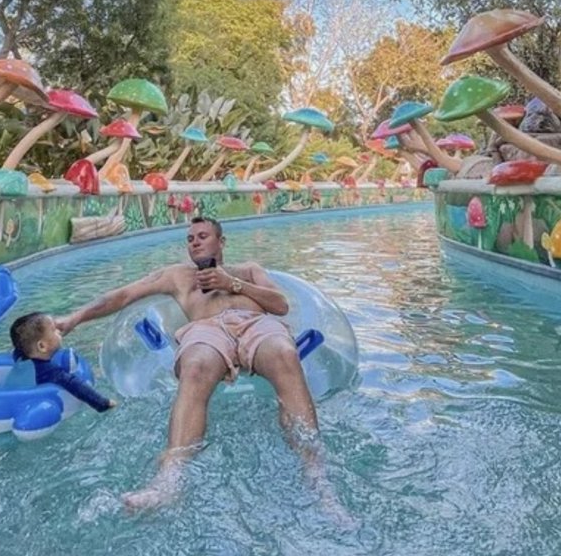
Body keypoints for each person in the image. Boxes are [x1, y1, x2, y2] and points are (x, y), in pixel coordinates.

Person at [55, 216, 347, 515]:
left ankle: (316, 476)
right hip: (207, 331)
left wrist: (233, 284)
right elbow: (123, 295)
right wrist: (73, 318)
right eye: (190, 238)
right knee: (194, 367)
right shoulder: (178, 276)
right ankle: (169, 480)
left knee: (285, 354)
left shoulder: (248, 270)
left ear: (221, 242)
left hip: (257, 325)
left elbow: (280, 304)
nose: (194, 241)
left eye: (202, 236)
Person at [10, 311, 117, 413]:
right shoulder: (50, 371)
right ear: (42, 346)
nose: (59, 331)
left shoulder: (20, 359)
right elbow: (76, 385)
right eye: (54, 330)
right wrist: (104, 403)